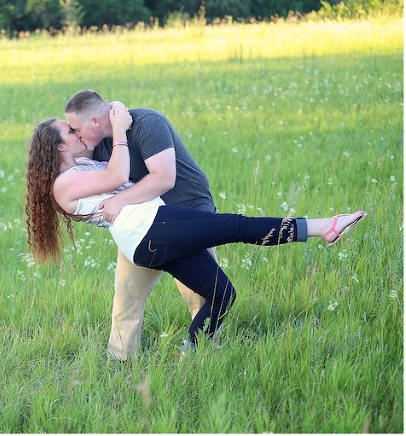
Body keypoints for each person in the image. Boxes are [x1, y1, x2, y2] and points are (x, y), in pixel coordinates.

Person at [24, 111, 366, 351]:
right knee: (236, 225)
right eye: (69, 131)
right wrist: (118, 127)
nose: (75, 131)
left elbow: (114, 167)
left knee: (223, 293)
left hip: (154, 232)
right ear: (58, 147)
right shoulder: (63, 185)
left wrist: (113, 126)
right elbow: (116, 176)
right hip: (151, 230)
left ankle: (193, 349)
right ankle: (325, 227)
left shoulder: (80, 165)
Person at [65, 89, 213, 359]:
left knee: (199, 294)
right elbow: (63, 152)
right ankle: (120, 360)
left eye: (77, 128)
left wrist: (119, 201)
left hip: (189, 213)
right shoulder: (98, 146)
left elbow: (164, 178)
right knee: (127, 296)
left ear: (96, 122)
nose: (75, 135)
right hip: (143, 227)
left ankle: (202, 353)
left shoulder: (147, 123)